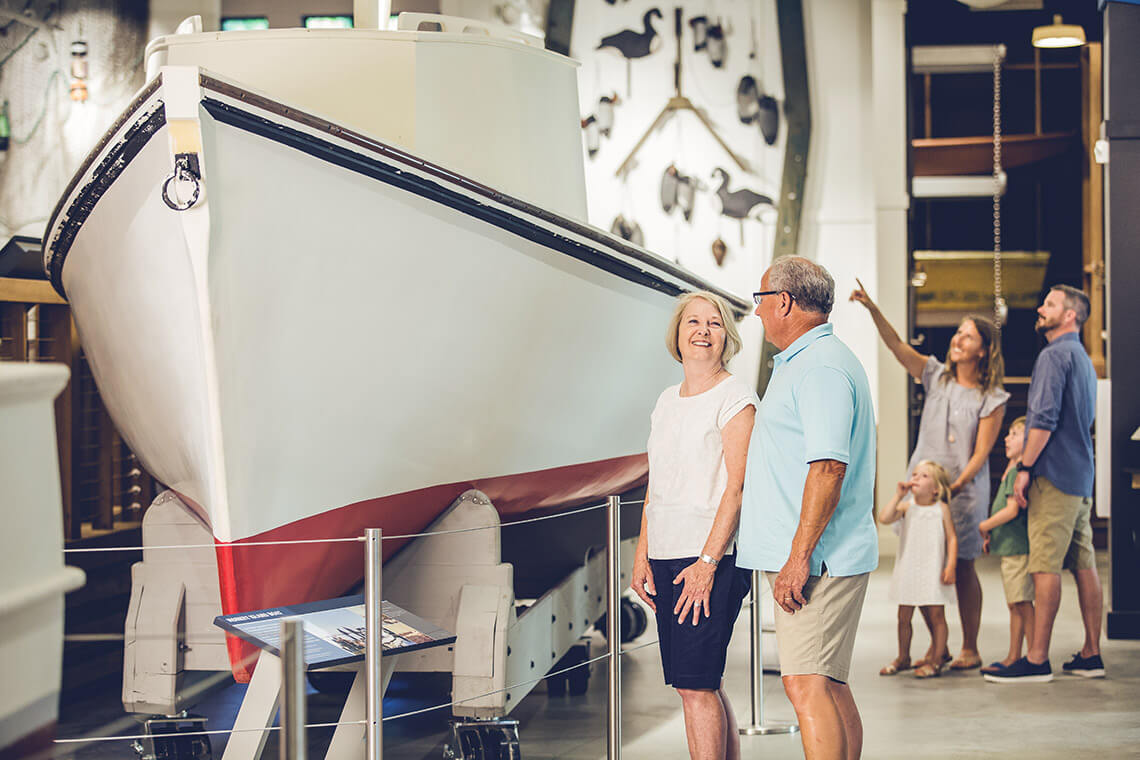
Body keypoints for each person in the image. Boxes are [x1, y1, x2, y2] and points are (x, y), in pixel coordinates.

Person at [738, 257, 877, 760]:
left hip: (819, 560)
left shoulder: (820, 368)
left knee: (805, 684)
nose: (756, 312)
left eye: (760, 300)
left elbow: (829, 468)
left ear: (784, 302)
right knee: (829, 683)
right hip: (819, 554)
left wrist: (798, 557)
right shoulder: (809, 361)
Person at [850, 283, 1008, 671]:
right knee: (920, 562)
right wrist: (872, 308)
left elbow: (981, 452)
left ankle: (970, 647)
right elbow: (897, 347)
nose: (958, 339)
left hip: (963, 494)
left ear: (983, 350)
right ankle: (940, 646)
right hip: (922, 488)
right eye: (958, 333)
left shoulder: (991, 397)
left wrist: (952, 489)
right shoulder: (936, 375)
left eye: (968, 336)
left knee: (962, 566)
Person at [630, 290, 758, 759]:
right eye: (693, 322)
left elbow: (737, 488)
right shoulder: (667, 400)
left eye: (714, 323)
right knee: (701, 682)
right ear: (678, 335)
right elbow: (657, 483)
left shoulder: (736, 397)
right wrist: (641, 554)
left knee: (695, 685)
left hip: (710, 557)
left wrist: (707, 562)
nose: (703, 331)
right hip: (667, 553)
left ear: (727, 337)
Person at [987, 285, 1104, 683]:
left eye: (1050, 305)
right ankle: (1091, 654)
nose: (1040, 308)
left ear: (1069, 315)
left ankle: (1037, 659)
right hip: (1081, 475)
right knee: (1084, 563)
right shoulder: (1082, 357)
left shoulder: (1054, 355)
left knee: (1044, 566)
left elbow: (1043, 419)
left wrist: (1025, 468)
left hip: (1053, 477)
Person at [878, 460, 958, 679]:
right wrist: (898, 496)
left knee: (937, 615)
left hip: (933, 570)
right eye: (914, 474)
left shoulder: (941, 509)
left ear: (936, 489)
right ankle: (903, 657)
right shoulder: (907, 507)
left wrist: (951, 565)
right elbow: (884, 518)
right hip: (909, 569)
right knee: (903, 616)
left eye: (924, 476)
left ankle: (937, 659)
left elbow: (952, 538)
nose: (916, 478)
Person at [978, 416, 1035, 675]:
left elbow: (1011, 510)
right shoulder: (1010, 470)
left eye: (1015, 434)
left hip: (1018, 550)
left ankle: (1032, 655)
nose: (1006, 438)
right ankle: (1014, 655)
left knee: (1022, 603)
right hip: (1009, 549)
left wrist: (985, 525)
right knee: (1014, 604)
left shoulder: (1017, 472)